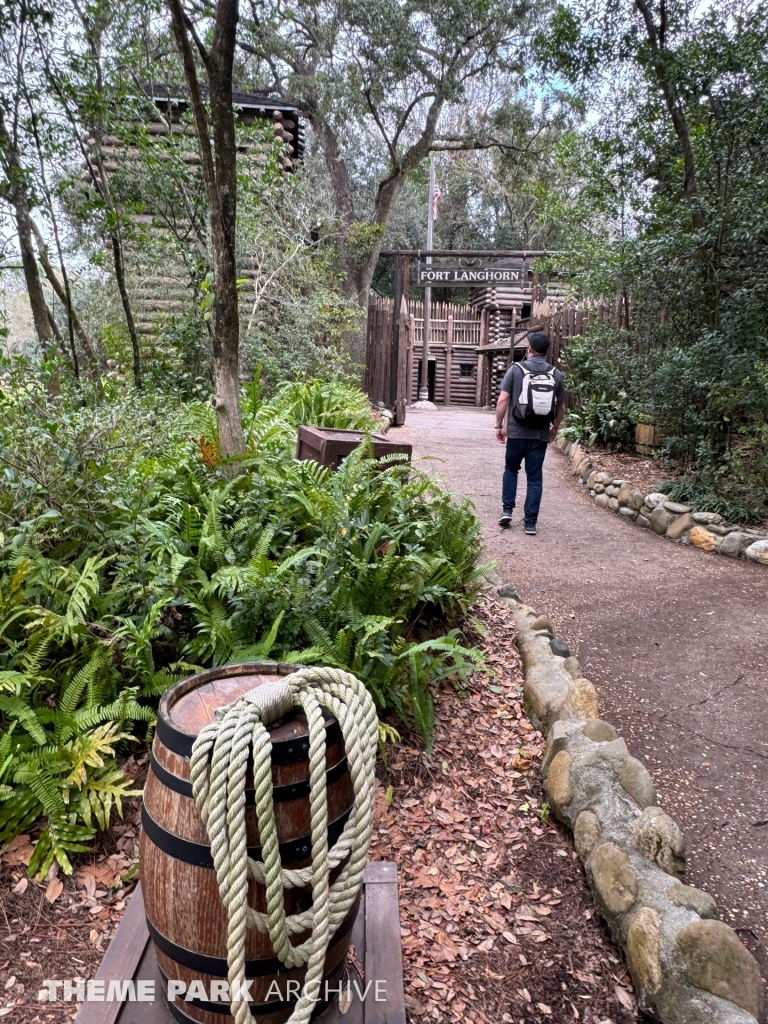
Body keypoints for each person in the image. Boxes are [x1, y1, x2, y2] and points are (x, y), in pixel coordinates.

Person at [494, 332, 565, 535]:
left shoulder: (516, 370)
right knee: (534, 478)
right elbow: (561, 408)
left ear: (529, 350)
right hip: (539, 435)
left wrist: (499, 426)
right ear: (545, 352)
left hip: (516, 433)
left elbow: (502, 401)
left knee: (511, 469)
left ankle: (507, 510)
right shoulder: (555, 374)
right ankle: (530, 523)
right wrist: (555, 427)